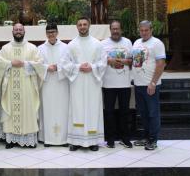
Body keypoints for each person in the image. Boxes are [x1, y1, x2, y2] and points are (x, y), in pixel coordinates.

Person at [60, 17, 107, 151]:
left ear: (89, 25)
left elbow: (103, 63)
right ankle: (76, 141)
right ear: (77, 27)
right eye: (80, 25)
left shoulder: (97, 44)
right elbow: (64, 63)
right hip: (78, 81)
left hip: (92, 81)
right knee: (77, 109)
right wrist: (78, 67)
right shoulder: (71, 45)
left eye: (84, 24)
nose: (82, 27)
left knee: (93, 108)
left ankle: (93, 141)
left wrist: (92, 67)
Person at [0, 23, 45, 148]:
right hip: (11, 84)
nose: (18, 31)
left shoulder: (32, 48)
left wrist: (25, 63)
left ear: (24, 31)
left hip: (27, 84)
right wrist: (10, 63)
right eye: (16, 29)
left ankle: (29, 140)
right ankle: (10, 139)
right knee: (10, 109)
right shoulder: (6, 48)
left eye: (20, 30)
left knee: (28, 109)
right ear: (12, 32)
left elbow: (40, 64)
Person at [132, 20, 166, 150]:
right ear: (139, 30)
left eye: (146, 30)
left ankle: (153, 139)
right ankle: (146, 137)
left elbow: (161, 64)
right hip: (138, 84)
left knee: (153, 113)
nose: (144, 32)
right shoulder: (136, 43)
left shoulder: (157, 43)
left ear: (151, 30)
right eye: (142, 30)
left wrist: (153, 82)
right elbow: (136, 62)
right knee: (143, 113)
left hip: (150, 84)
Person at [101, 21, 133, 148]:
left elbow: (132, 60)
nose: (115, 31)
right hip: (108, 83)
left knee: (124, 111)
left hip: (124, 83)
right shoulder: (103, 44)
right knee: (109, 112)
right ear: (110, 30)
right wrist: (110, 61)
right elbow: (100, 59)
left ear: (121, 30)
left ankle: (125, 138)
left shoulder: (128, 42)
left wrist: (123, 61)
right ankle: (110, 139)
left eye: (117, 29)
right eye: (113, 29)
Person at [37, 23, 69, 147]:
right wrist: (46, 68)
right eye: (49, 32)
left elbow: (69, 64)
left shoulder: (66, 47)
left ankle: (63, 139)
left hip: (62, 84)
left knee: (62, 109)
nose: (51, 34)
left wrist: (58, 67)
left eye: (53, 32)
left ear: (57, 33)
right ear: (46, 34)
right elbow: (37, 64)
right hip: (47, 83)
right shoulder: (40, 48)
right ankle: (47, 138)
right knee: (47, 108)